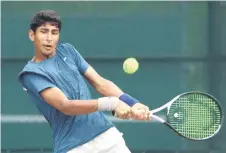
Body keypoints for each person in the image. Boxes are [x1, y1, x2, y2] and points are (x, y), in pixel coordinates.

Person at [18, 10, 150, 153]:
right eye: (44, 32)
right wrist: (112, 103)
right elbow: (65, 105)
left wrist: (132, 103)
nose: (49, 38)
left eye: (54, 32)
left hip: (107, 136)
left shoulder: (68, 51)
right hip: (74, 147)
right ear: (32, 35)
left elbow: (100, 83)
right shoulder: (30, 74)